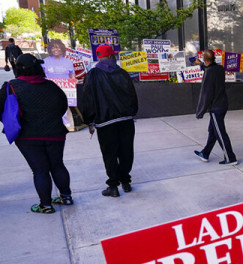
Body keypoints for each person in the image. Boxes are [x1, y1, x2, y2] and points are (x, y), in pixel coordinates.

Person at [0, 54, 72, 213]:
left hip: (27, 136)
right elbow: (62, 106)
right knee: (57, 165)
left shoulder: (11, 86)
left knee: (40, 170)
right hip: (55, 133)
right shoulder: (51, 86)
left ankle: (46, 205)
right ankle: (66, 197)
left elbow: (2, 110)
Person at [80, 45, 139, 197]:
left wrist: (89, 121)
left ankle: (113, 186)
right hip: (125, 119)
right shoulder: (123, 73)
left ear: (98, 55)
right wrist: (132, 112)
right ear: (112, 55)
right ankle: (125, 181)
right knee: (126, 151)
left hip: (105, 122)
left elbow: (88, 99)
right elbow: (132, 95)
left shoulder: (92, 74)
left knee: (109, 153)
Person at [192, 50, 237, 166]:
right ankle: (205, 153)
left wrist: (200, 112)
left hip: (216, 107)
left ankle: (230, 157)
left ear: (206, 60)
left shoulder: (209, 72)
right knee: (213, 131)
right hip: (222, 104)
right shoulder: (219, 68)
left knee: (221, 133)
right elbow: (209, 68)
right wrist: (200, 64)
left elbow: (206, 94)